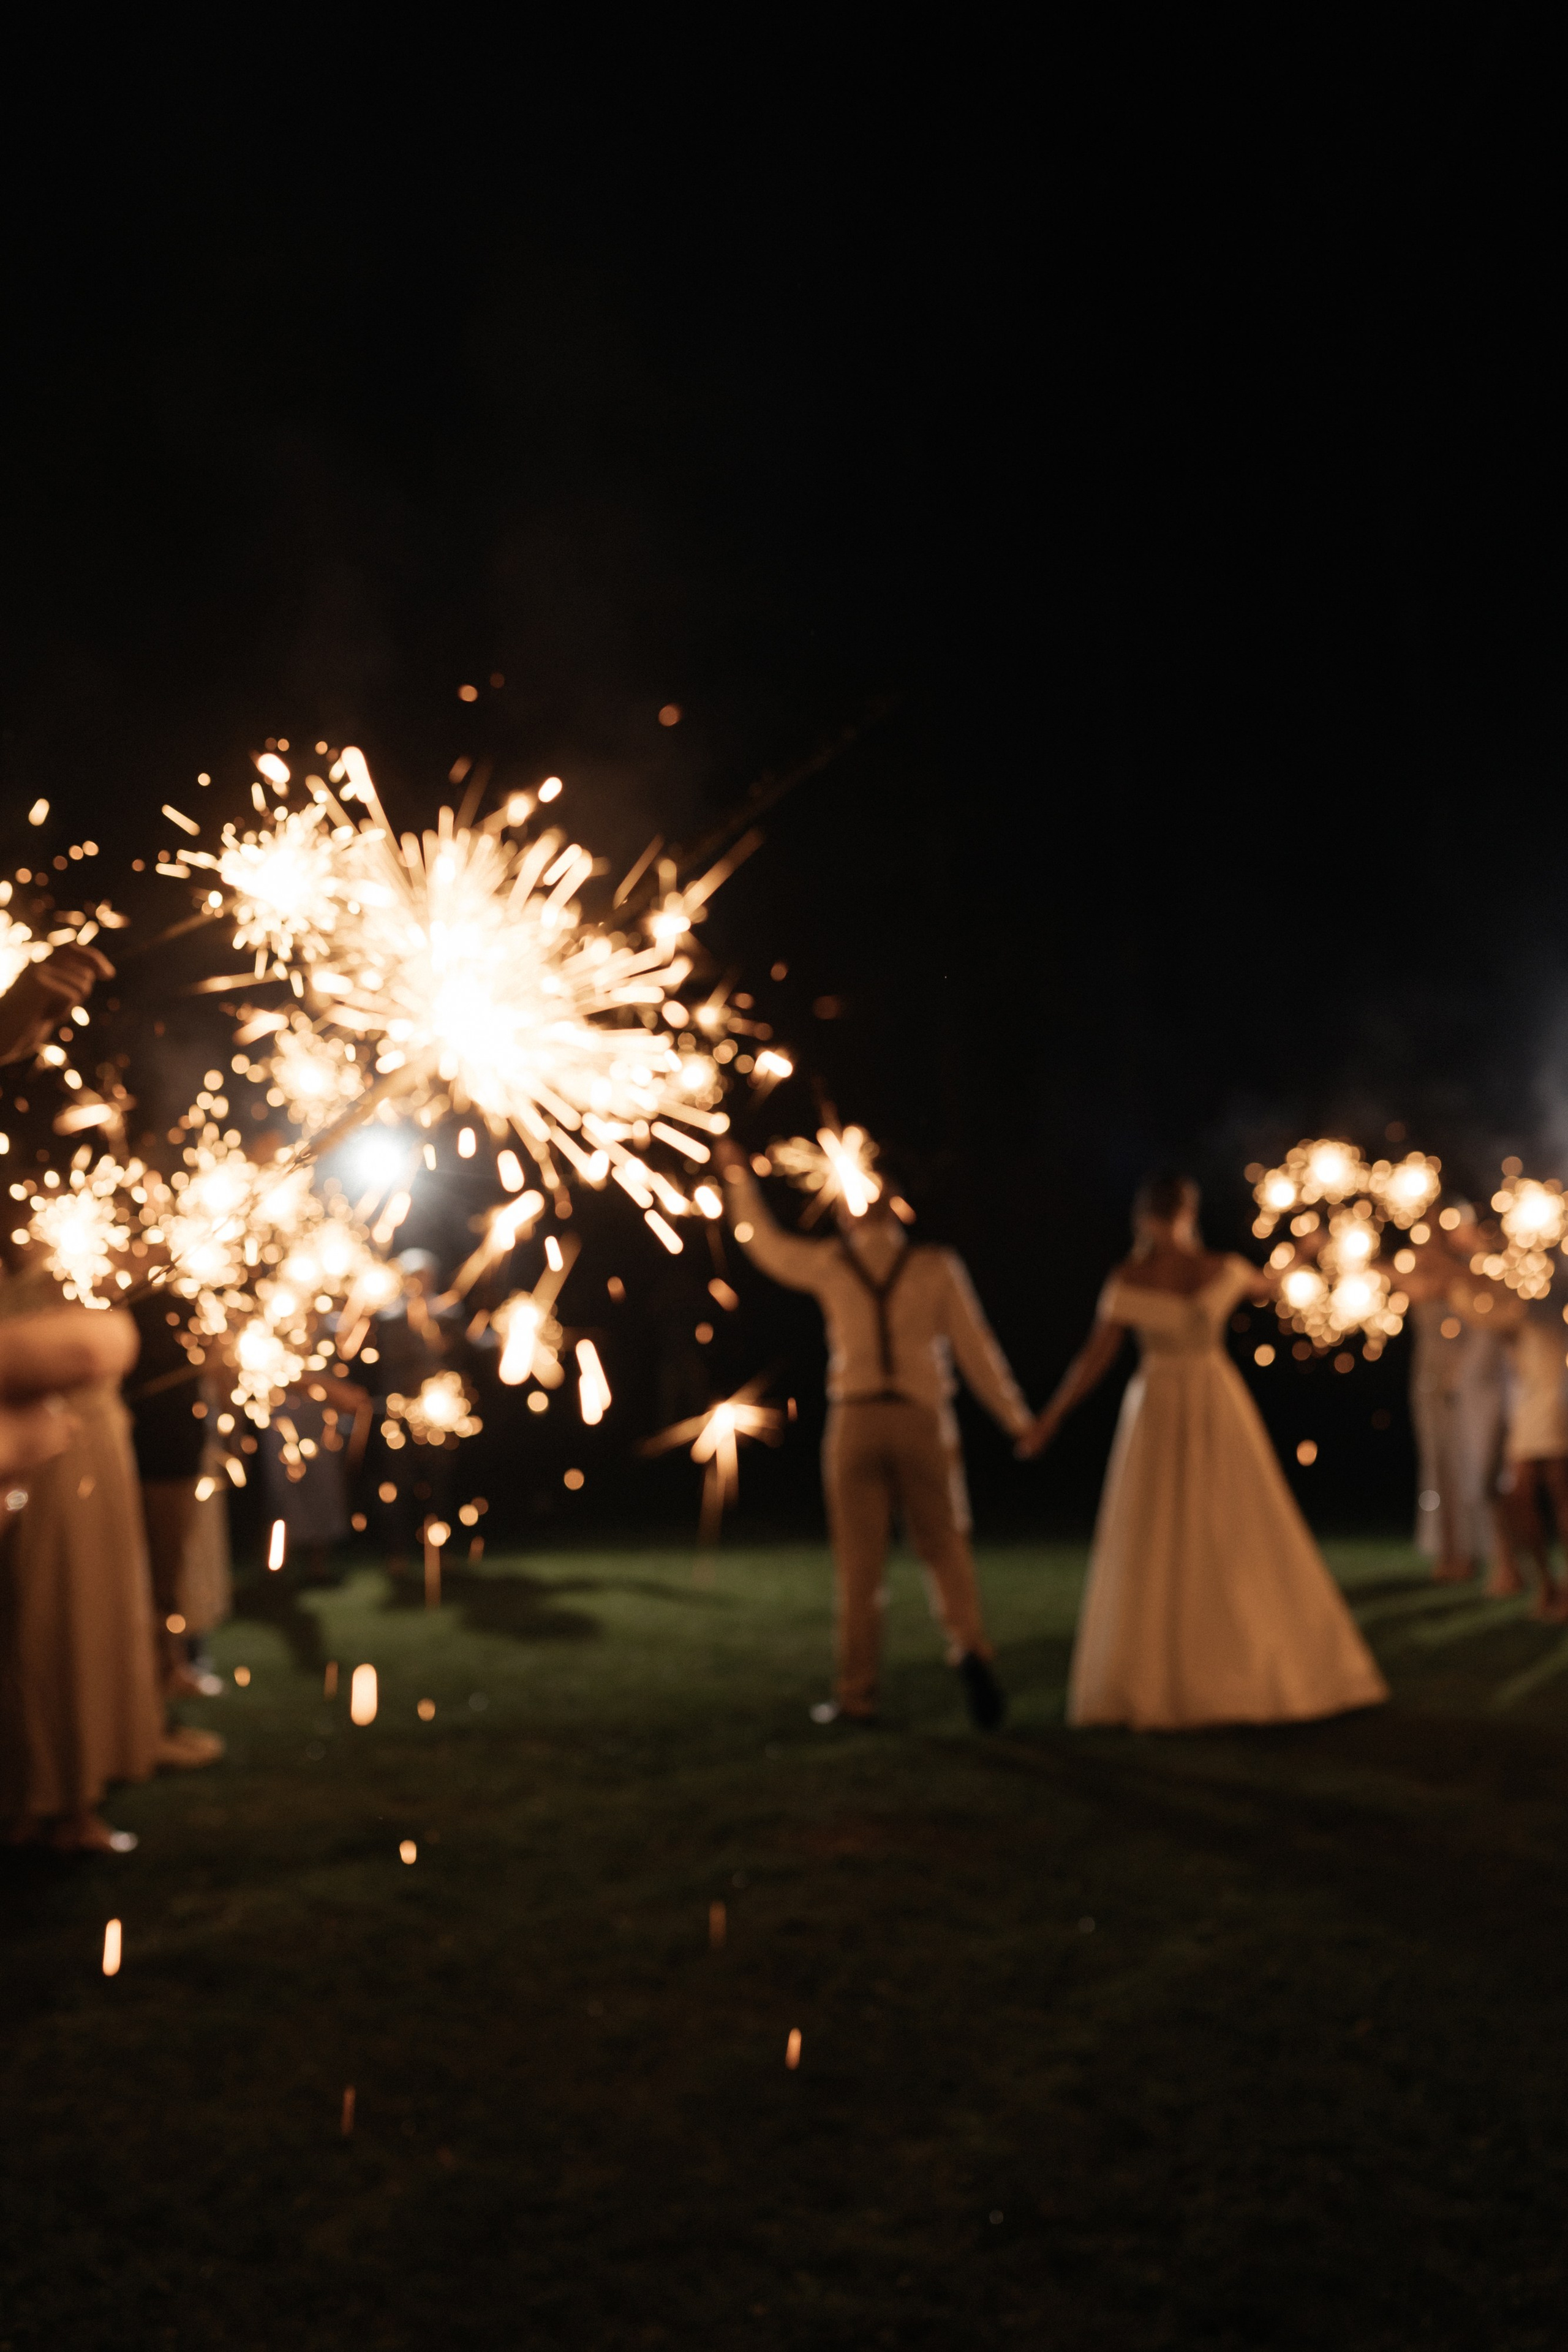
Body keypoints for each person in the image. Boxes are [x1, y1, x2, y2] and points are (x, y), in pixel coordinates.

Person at [1019, 1172, 1387, 1731]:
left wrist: (1050, 1418)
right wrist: (1304, 1251)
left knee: (1185, 1528)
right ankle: (1222, 1666)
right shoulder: (1214, 1269)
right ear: (1186, 1212)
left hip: (1168, 1402)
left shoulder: (1139, 1275)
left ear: (1145, 1217)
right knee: (1218, 1524)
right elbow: (1268, 1283)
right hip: (1205, 1399)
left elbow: (1093, 1359)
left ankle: (1182, 1673)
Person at [717, 1139, 1033, 1730]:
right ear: (898, 1211)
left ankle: (858, 1695)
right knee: (945, 1549)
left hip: (855, 1422)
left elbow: (765, 1246)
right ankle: (969, 1651)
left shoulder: (834, 1264)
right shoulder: (938, 1266)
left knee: (859, 1568)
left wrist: (738, 1180)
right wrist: (1018, 1420)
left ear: (848, 1211)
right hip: (922, 1419)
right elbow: (976, 1351)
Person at [1401, 1203, 1508, 1584]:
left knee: (1467, 1463)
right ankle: (1447, 1550)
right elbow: (1411, 1286)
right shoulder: (1417, 1269)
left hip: (1465, 1377)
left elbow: (1460, 1285)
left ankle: (1475, 1552)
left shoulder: (1465, 1273)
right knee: (1436, 1465)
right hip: (1426, 1376)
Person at [1490, 1293, 1568, 1618]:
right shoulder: (1505, 1287)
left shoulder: (1548, 1287)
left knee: (1559, 1490)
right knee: (1518, 1495)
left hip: (1555, 1392)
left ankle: (1560, 1586)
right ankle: (1546, 1582)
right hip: (1525, 1402)